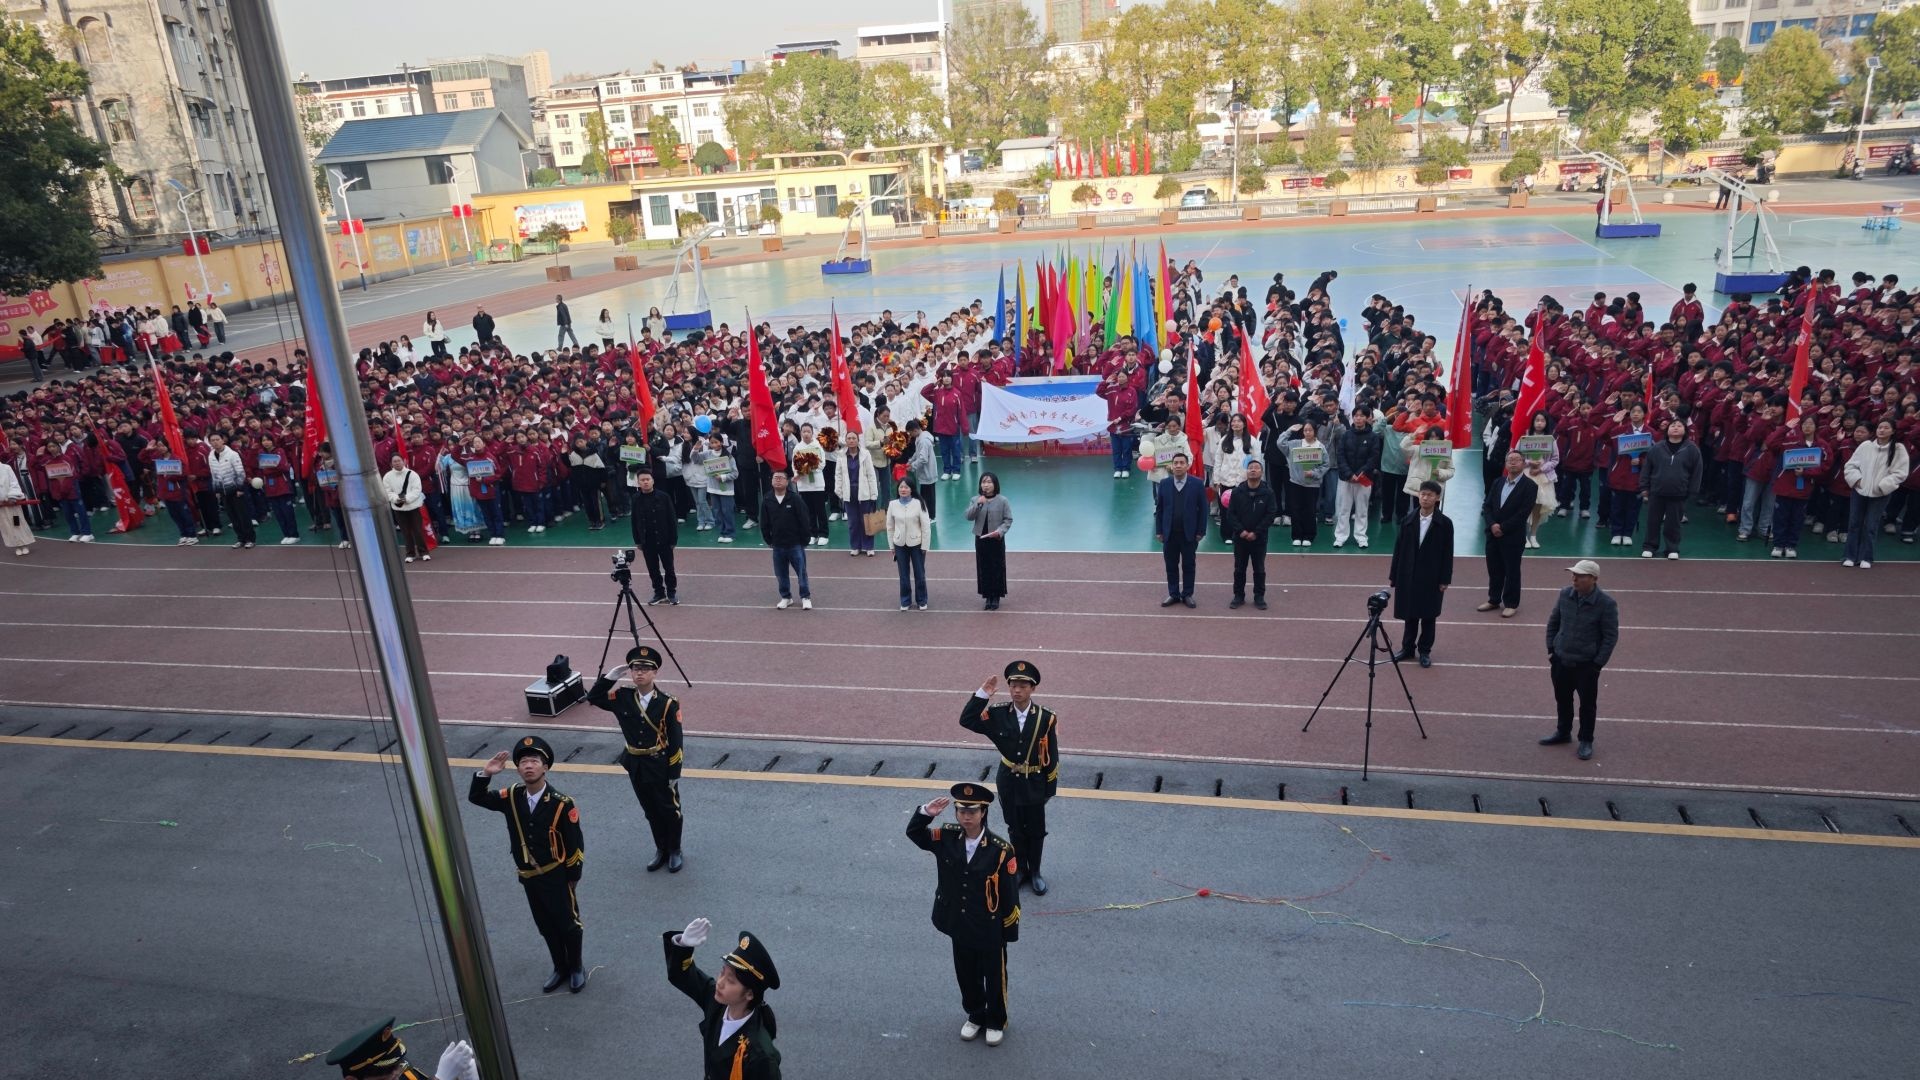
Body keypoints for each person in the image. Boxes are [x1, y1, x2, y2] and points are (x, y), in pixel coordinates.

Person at [466, 735, 586, 993]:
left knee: (568, 923)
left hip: (555, 875)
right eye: (523, 762)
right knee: (545, 925)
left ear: (545, 767)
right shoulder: (512, 796)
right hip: (529, 876)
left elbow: (575, 844)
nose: (528, 766)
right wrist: (486, 774)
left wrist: (572, 877)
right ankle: (560, 967)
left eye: (534, 761)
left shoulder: (561, 803)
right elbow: (477, 797)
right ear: (518, 769)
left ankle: (576, 967)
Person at [906, 783, 1022, 1047]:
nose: (966, 816)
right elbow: (915, 834)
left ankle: (996, 1020)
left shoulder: (1001, 850)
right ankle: (975, 1014)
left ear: (983, 813)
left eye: (972, 811)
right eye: (961, 811)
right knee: (966, 973)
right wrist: (926, 813)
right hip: (958, 922)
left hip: (989, 925)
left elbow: (1010, 895)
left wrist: (1008, 931)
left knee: (994, 976)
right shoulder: (947, 837)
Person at [958, 662, 1059, 894]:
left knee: (1036, 830)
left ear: (1032, 689)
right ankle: (1020, 869)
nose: (1017, 690)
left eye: (1023, 686)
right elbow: (967, 720)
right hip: (1009, 781)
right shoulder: (997, 713)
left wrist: (1049, 788)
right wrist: (982, 695)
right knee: (1015, 827)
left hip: (1034, 781)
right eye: (1013, 685)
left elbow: (1052, 756)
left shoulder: (1045, 718)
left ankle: (1035, 872)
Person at [589, 646, 685, 872]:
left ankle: (674, 850)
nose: (639, 673)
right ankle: (660, 849)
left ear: (655, 672)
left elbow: (676, 740)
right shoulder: (622, 696)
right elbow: (593, 698)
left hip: (659, 763)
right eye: (635, 669)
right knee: (650, 809)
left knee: (669, 809)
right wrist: (610, 677)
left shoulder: (668, 703)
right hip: (635, 763)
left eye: (645, 669)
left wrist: (674, 773)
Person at [663, 918, 783, 1079]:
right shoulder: (718, 1002)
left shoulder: (761, 1055)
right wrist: (683, 945)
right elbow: (682, 975)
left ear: (749, 994)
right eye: (722, 972)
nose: (720, 982)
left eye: (730, 981)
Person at [1541, 560, 1619, 761]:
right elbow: (1554, 622)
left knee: (1587, 705)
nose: (1574, 579)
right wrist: (1551, 650)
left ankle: (1586, 739)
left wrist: (1597, 664)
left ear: (1594, 579)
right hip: (1561, 660)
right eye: (1573, 574)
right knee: (1563, 699)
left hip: (1586, 665)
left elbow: (1610, 637)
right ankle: (1563, 732)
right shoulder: (1564, 594)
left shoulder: (1606, 604)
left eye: (1580, 576)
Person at [1388, 480, 1454, 668]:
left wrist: (1445, 579)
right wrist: (1394, 574)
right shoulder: (1408, 520)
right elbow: (1398, 549)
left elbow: (1447, 553)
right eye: (1422, 494)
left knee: (1428, 615)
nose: (1425, 498)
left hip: (1431, 577)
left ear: (1437, 498)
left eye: (1429, 495)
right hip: (1408, 574)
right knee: (1410, 614)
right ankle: (1407, 648)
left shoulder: (1445, 524)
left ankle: (1425, 651)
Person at [1842, 419, 1910, 568]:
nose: (1882, 430)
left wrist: (1883, 485)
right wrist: (1857, 480)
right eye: (1880, 427)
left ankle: (1866, 557)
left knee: (1871, 526)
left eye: (1886, 428)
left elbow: (1901, 473)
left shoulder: (1898, 449)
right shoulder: (1866, 446)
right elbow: (1851, 465)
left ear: (1893, 431)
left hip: (1880, 494)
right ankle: (1850, 556)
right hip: (1859, 491)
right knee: (1854, 523)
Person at [323, 1017, 477, 1080]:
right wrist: (441, 1078)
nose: (396, 1077)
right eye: (386, 1078)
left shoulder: (403, 1075)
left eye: (398, 1067)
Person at [1479, 451, 1535, 618]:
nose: (1513, 463)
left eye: (1517, 460)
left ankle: (1511, 603)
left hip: (1512, 536)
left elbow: (1523, 513)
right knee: (1494, 569)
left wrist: (1502, 527)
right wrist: (1492, 525)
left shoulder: (1530, 486)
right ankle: (1494, 599)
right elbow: (1487, 506)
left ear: (1523, 463)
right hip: (1492, 534)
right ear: (1505, 463)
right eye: (1510, 460)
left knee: (1512, 571)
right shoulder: (1498, 482)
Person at [1639, 419, 1702, 560]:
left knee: (1673, 523)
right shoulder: (1656, 448)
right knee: (1653, 521)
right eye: (1672, 425)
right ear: (1667, 430)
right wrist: (1644, 486)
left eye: (1679, 426)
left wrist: (1692, 490)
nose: (1675, 428)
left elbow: (1697, 472)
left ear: (1685, 430)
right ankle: (1649, 547)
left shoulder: (1692, 449)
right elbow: (1647, 468)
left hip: (1679, 493)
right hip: (1657, 491)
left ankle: (1672, 548)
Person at [1154, 452, 1207, 608]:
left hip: (1189, 534)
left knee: (1189, 565)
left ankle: (1187, 594)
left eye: (1181, 463)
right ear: (1171, 466)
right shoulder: (1164, 483)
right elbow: (1160, 509)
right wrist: (1159, 530)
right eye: (1175, 463)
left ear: (1187, 465)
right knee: (1171, 565)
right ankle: (1173, 594)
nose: (1178, 466)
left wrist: (1201, 531)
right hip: (1169, 534)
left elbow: (1203, 510)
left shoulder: (1197, 484)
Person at [1224, 457, 1277, 609]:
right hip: (1240, 538)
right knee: (1239, 569)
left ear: (1261, 472)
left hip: (1259, 539)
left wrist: (1256, 532)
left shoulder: (1268, 493)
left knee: (1259, 569)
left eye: (1256, 468)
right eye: (1250, 467)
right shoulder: (1237, 492)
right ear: (1246, 472)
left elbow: (1270, 515)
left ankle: (1259, 596)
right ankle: (1238, 596)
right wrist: (1241, 531)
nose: (1253, 470)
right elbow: (1231, 514)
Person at [760, 470, 813, 609]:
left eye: (781, 478)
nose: (777, 480)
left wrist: (805, 540)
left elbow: (804, 520)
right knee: (781, 573)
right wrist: (768, 540)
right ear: (771, 481)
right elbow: (764, 522)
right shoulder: (767, 499)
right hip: (778, 545)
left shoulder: (795, 499)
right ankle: (786, 597)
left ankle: (805, 597)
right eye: (775, 477)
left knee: (801, 572)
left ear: (787, 481)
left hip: (795, 544)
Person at [1329, 405, 1381, 549]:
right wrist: (1349, 474)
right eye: (1356, 415)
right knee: (1344, 509)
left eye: (1362, 415)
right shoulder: (1346, 435)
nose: (1358, 418)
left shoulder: (1373, 437)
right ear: (1353, 417)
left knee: (1362, 509)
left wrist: (1361, 472)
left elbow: (1374, 457)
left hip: (1365, 479)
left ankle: (1361, 537)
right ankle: (1340, 536)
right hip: (1346, 478)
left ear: (1367, 418)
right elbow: (1340, 455)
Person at [629, 470, 680, 604]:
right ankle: (659, 592)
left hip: (664, 539)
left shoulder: (664, 497)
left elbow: (672, 519)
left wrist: (673, 540)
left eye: (648, 479)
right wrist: (638, 540)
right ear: (638, 482)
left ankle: (671, 592)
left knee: (669, 568)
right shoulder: (635, 499)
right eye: (642, 480)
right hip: (647, 541)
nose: (645, 482)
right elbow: (634, 521)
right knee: (653, 569)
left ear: (653, 481)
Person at [1278, 420, 1329, 546]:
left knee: (1310, 510)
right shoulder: (1295, 444)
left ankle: (1308, 536)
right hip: (1295, 483)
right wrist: (1289, 431)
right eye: (1305, 430)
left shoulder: (1320, 446)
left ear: (1314, 431)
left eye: (1310, 430)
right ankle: (1297, 535)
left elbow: (1325, 464)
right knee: (1295, 510)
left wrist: (1314, 473)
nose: (1307, 432)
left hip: (1312, 485)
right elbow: (1280, 443)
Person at [966, 471, 1012, 609]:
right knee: (983, 566)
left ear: (995, 484)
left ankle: (996, 596)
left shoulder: (1003, 500)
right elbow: (969, 516)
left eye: (989, 482)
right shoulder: (975, 499)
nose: (986, 485)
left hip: (996, 539)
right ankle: (987, 597)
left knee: (996, 567)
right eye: (983, 482)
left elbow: (1008, 520)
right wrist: (978, 505)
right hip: (981, 539)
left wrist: (1000, 532)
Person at [887, 478, 932, 610]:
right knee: (903, 575)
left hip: (917, 544)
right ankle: (905, 601)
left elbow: (926, 527)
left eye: (906, 487)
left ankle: (922, 600)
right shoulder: (892, 505)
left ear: (911, 489)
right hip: (899, 544)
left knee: (919, 573)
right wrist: (892, 546)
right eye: (901, 487)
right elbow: (890, 527)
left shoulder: (919, 503)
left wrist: (925, 546)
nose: (903, 489)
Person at [206, 432, 255, 550]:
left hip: (236, 490)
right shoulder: (211, 455)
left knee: (243, 515)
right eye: (212, 440)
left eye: (217, 439)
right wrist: (217, 490)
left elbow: (240, 472)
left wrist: (240, 488)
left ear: (223, 440)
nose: (215, 442)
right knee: (233, 517)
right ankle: (240, 539)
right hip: (223, 492)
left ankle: (250, 539)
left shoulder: (233, 454)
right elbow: (214, 474)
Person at [382, 453, 430, 563]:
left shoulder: (412, 474)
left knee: (418, 531)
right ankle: (410, 554)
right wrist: (396, 499)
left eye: (399, 460)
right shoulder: (387, 477)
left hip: (414, 507)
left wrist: (406, 499)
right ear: (391, 464)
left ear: (403, 461)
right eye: (394, 461)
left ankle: (424, 552)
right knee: (406, 532)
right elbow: (387, 492)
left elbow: (417, 490)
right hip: (399, 509)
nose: (397, 463)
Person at [0, 460, 33, 557]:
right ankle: (16, 546)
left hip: (12, 503)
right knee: (6, 526)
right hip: (1, 507)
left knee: (17, 523)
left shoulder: (6, 468)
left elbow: (14, 482)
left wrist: (12, 496)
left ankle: (24, 543)